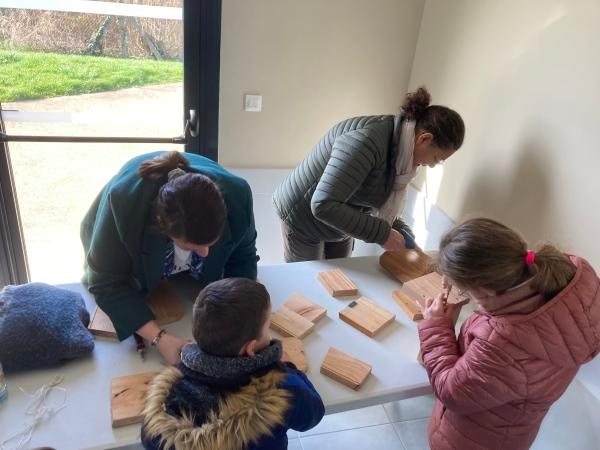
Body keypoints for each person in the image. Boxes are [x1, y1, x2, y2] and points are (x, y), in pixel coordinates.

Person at [418, 218, 600, 450]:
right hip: (509, 433)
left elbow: (451, 392)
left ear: (486, 290)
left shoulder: (504, 344)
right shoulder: (566, 280)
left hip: (473, 440)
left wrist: (436, 325)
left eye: (466, 289)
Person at [81, 151, 259, 364]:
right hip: (120, 233)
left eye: (211, 242)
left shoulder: (238, 195)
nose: (205, 253)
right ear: (161, 226)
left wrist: (236, 316)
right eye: (192, 246)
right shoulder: (123, 206)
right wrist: (159, 339)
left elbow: (243, 259)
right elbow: (106, 283)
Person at [272, 86, 465, 262]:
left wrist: (403, 234)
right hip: (302, 216)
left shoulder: (401, 155)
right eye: (437, 158)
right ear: (424, 139)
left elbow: (379, 202)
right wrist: (383, 235)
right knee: (309, 283)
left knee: (341, 277)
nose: (432, 166)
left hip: (339, 215)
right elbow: (323, 204)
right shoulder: (366, 142)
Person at [140, 278, 325, 450]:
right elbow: (313, 415)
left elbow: (149, 439)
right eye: (267, 327)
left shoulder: (166, 398)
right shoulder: (283, 391)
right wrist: (290, 368)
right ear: (250, 349)